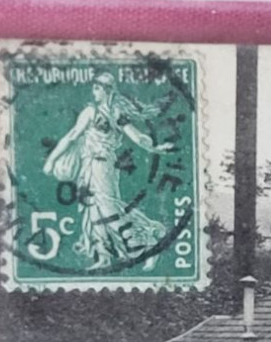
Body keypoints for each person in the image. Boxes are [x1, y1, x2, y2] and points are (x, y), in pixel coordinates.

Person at [43, 71, 175, 271]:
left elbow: (136, 136)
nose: (93, 91)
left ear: (107, 91)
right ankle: (103, 256)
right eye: (94, 87)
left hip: (104, 165)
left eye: (97, 88)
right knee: (93, 209)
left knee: (108, 208)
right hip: (89, 166)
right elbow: (71, 136)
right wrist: (51, 160)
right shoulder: (89, 112)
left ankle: (148, 242)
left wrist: (155, 148)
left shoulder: (115, 113)